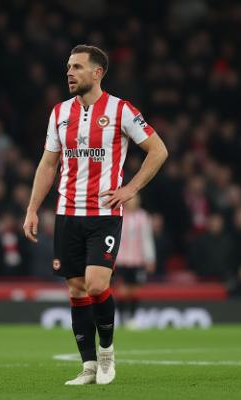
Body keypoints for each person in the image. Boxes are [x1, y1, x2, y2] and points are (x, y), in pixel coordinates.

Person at [23, 45, 168, 385]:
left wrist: (131, 188)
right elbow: (48, 164)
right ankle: (88, 366)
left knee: (97, 283)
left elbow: (158, 150)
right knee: (76, 290)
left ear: (97, 72)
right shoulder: (59, 113)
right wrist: (32, 208)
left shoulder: (121, 110)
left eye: (77, 67)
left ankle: (106, 354)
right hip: (67, 213)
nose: (69, 73)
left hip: (104, 214)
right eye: (68, 67)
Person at [115, 194, 156, 328]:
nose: (134, 201)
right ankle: (120, 316)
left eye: (136, 199)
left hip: (137, 261)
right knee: (121, 290)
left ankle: (132, 318)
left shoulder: (143, 217)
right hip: (121, 260)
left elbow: (147, 239)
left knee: (134, 290)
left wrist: (150, 258)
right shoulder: (119, 215)